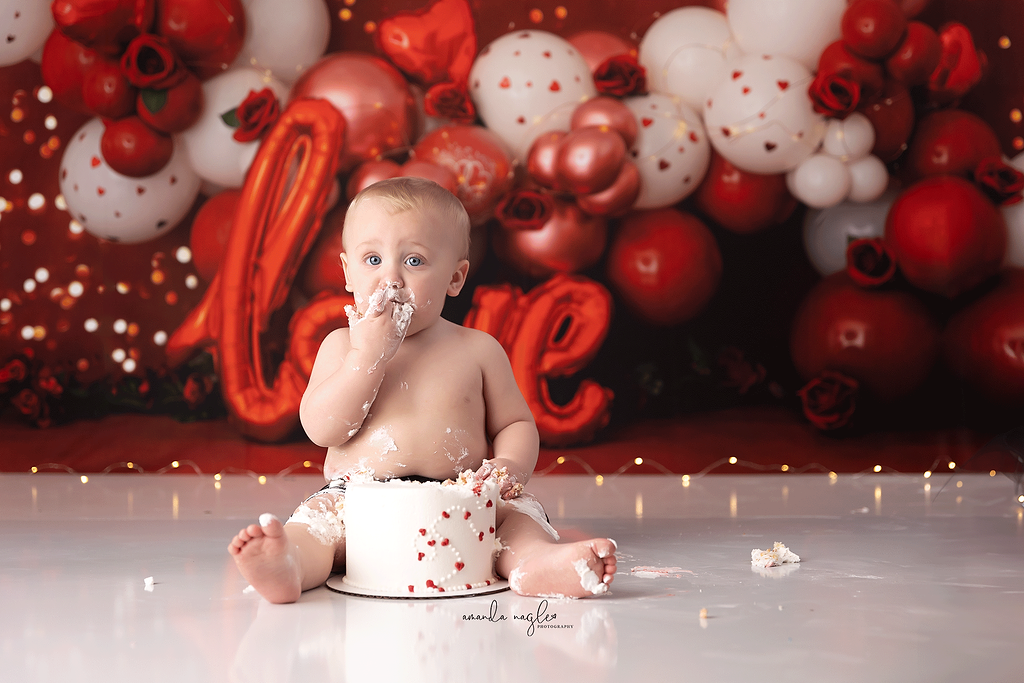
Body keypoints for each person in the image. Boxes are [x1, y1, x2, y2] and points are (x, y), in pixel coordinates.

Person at [228, 177, 617, 603]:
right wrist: (368, 356)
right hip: (357, 497)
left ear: (455, 277)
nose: (390, 278)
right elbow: (322, 430)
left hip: (465, 496)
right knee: (319, 526)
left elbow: (516, 422)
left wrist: (508, 465)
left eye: (414, 261)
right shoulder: (341, 346)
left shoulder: (478, 349)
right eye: (372, 259)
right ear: (346, 273)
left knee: (517, 522)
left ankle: (537, 563)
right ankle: (290, 564)